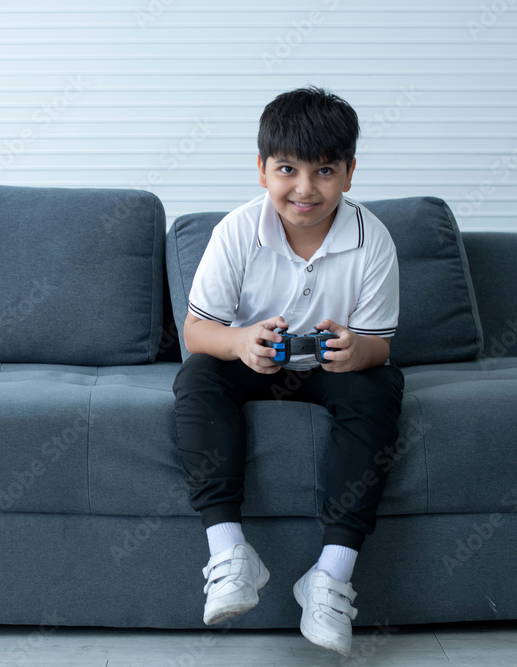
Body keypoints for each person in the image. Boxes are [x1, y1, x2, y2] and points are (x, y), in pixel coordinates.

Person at [172, 86, 404, 657]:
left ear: (349, 174)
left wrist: (357, 351)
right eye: (287, 169)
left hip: (329, 366)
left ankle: (331, 574)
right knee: (197, 376)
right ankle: (229, 552)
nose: (305, 188)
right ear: (261, 170)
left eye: (325, 171)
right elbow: (195, 334)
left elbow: (381, 346)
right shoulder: (236, 231)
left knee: (379, 386)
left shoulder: (372, 239)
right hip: (254, 359)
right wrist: (238, 340)